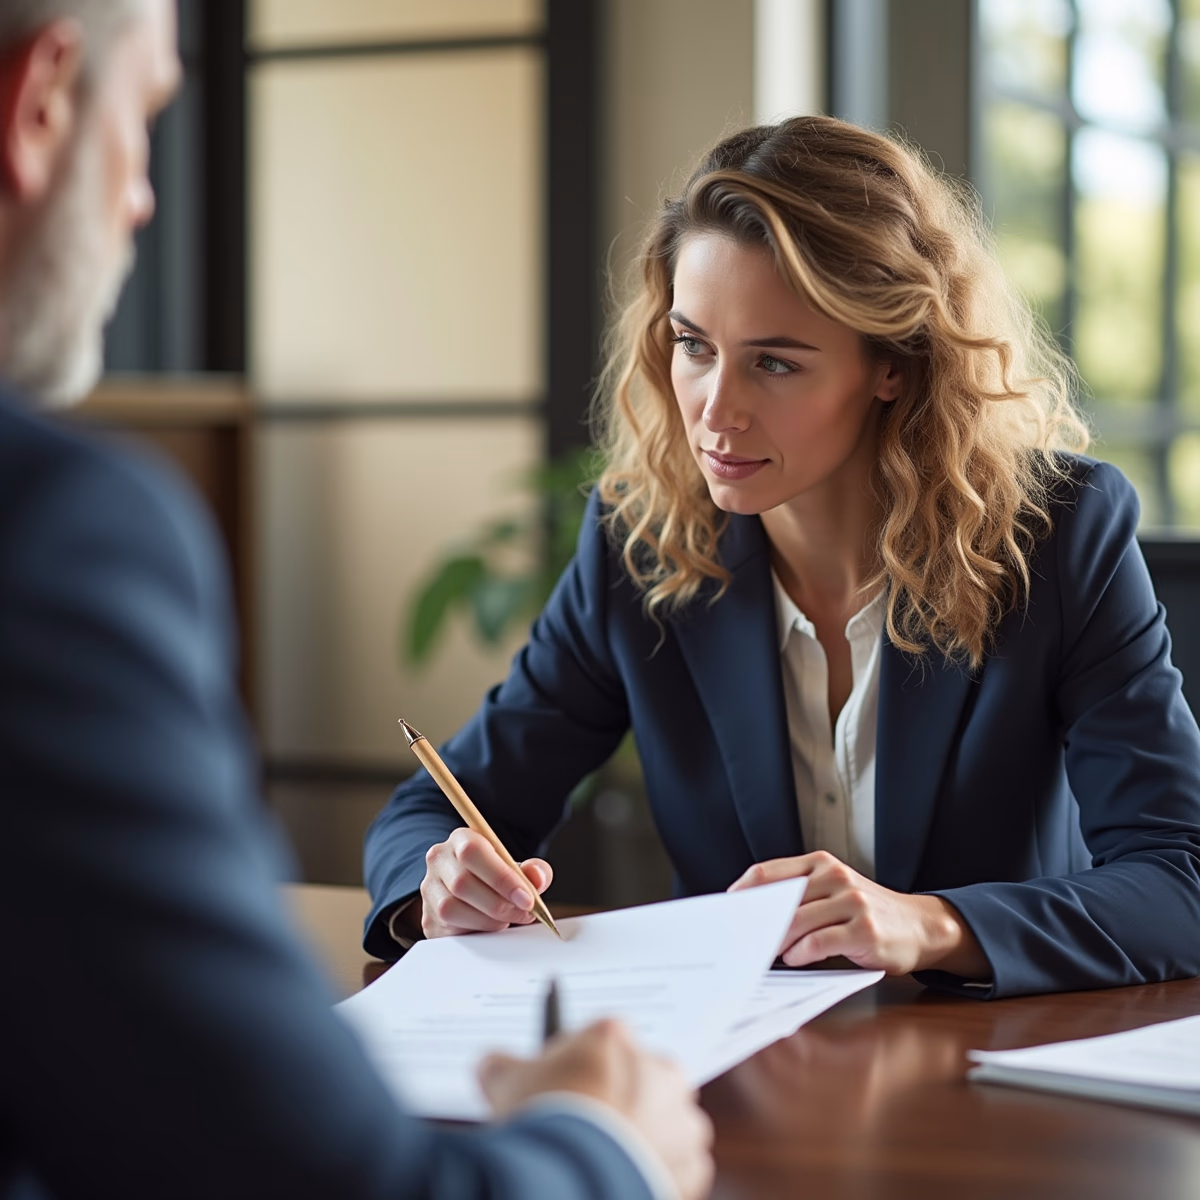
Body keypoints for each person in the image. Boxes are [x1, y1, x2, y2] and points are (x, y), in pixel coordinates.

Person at [0, 3, 714, 1198]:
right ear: (42, 104)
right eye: (147, 121)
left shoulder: (1062, 535)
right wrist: (603, 1145)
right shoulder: (47, 534)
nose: (142, 203)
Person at [365, 115, 1200, 1000]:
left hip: (987, 1071)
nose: (715, 412)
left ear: (895, 366)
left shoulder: (1058, 534)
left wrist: (930, 923)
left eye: (774, 363)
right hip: (736, 1077)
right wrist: (439, 888)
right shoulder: (637, 546)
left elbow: (1180, 874)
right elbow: (437, 806)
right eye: (694, 346)